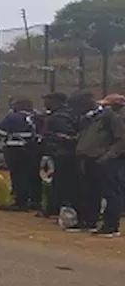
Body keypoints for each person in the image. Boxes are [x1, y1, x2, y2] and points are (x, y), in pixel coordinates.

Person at [73, 93, 125, 236]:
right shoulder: (91, 118)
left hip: (107, 161)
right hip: (91, 159)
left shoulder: (112, 118)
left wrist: (107, 156)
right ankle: (90, 221)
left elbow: (121, 140)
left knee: (111, 193)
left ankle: (110, 226)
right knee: (91, 191)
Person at [0, 98, 42, 212]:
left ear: (19, 106)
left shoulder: (13, 117)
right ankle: (35, 201)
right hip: (35, 150)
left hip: (16, 150)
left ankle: (20, 202)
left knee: (18, 176)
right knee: (34, 175)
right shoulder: (38, 117)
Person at [39, 92, 82, 222]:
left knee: (62, 182)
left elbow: (63, 137)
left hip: (63, 154)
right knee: (57, 182)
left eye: (48, 100)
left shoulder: (61, 117)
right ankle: (54, 208)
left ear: (56, 101)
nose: (45, 103)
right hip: (61, 153)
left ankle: (60, 209)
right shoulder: (59, 115)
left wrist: (55, 148)